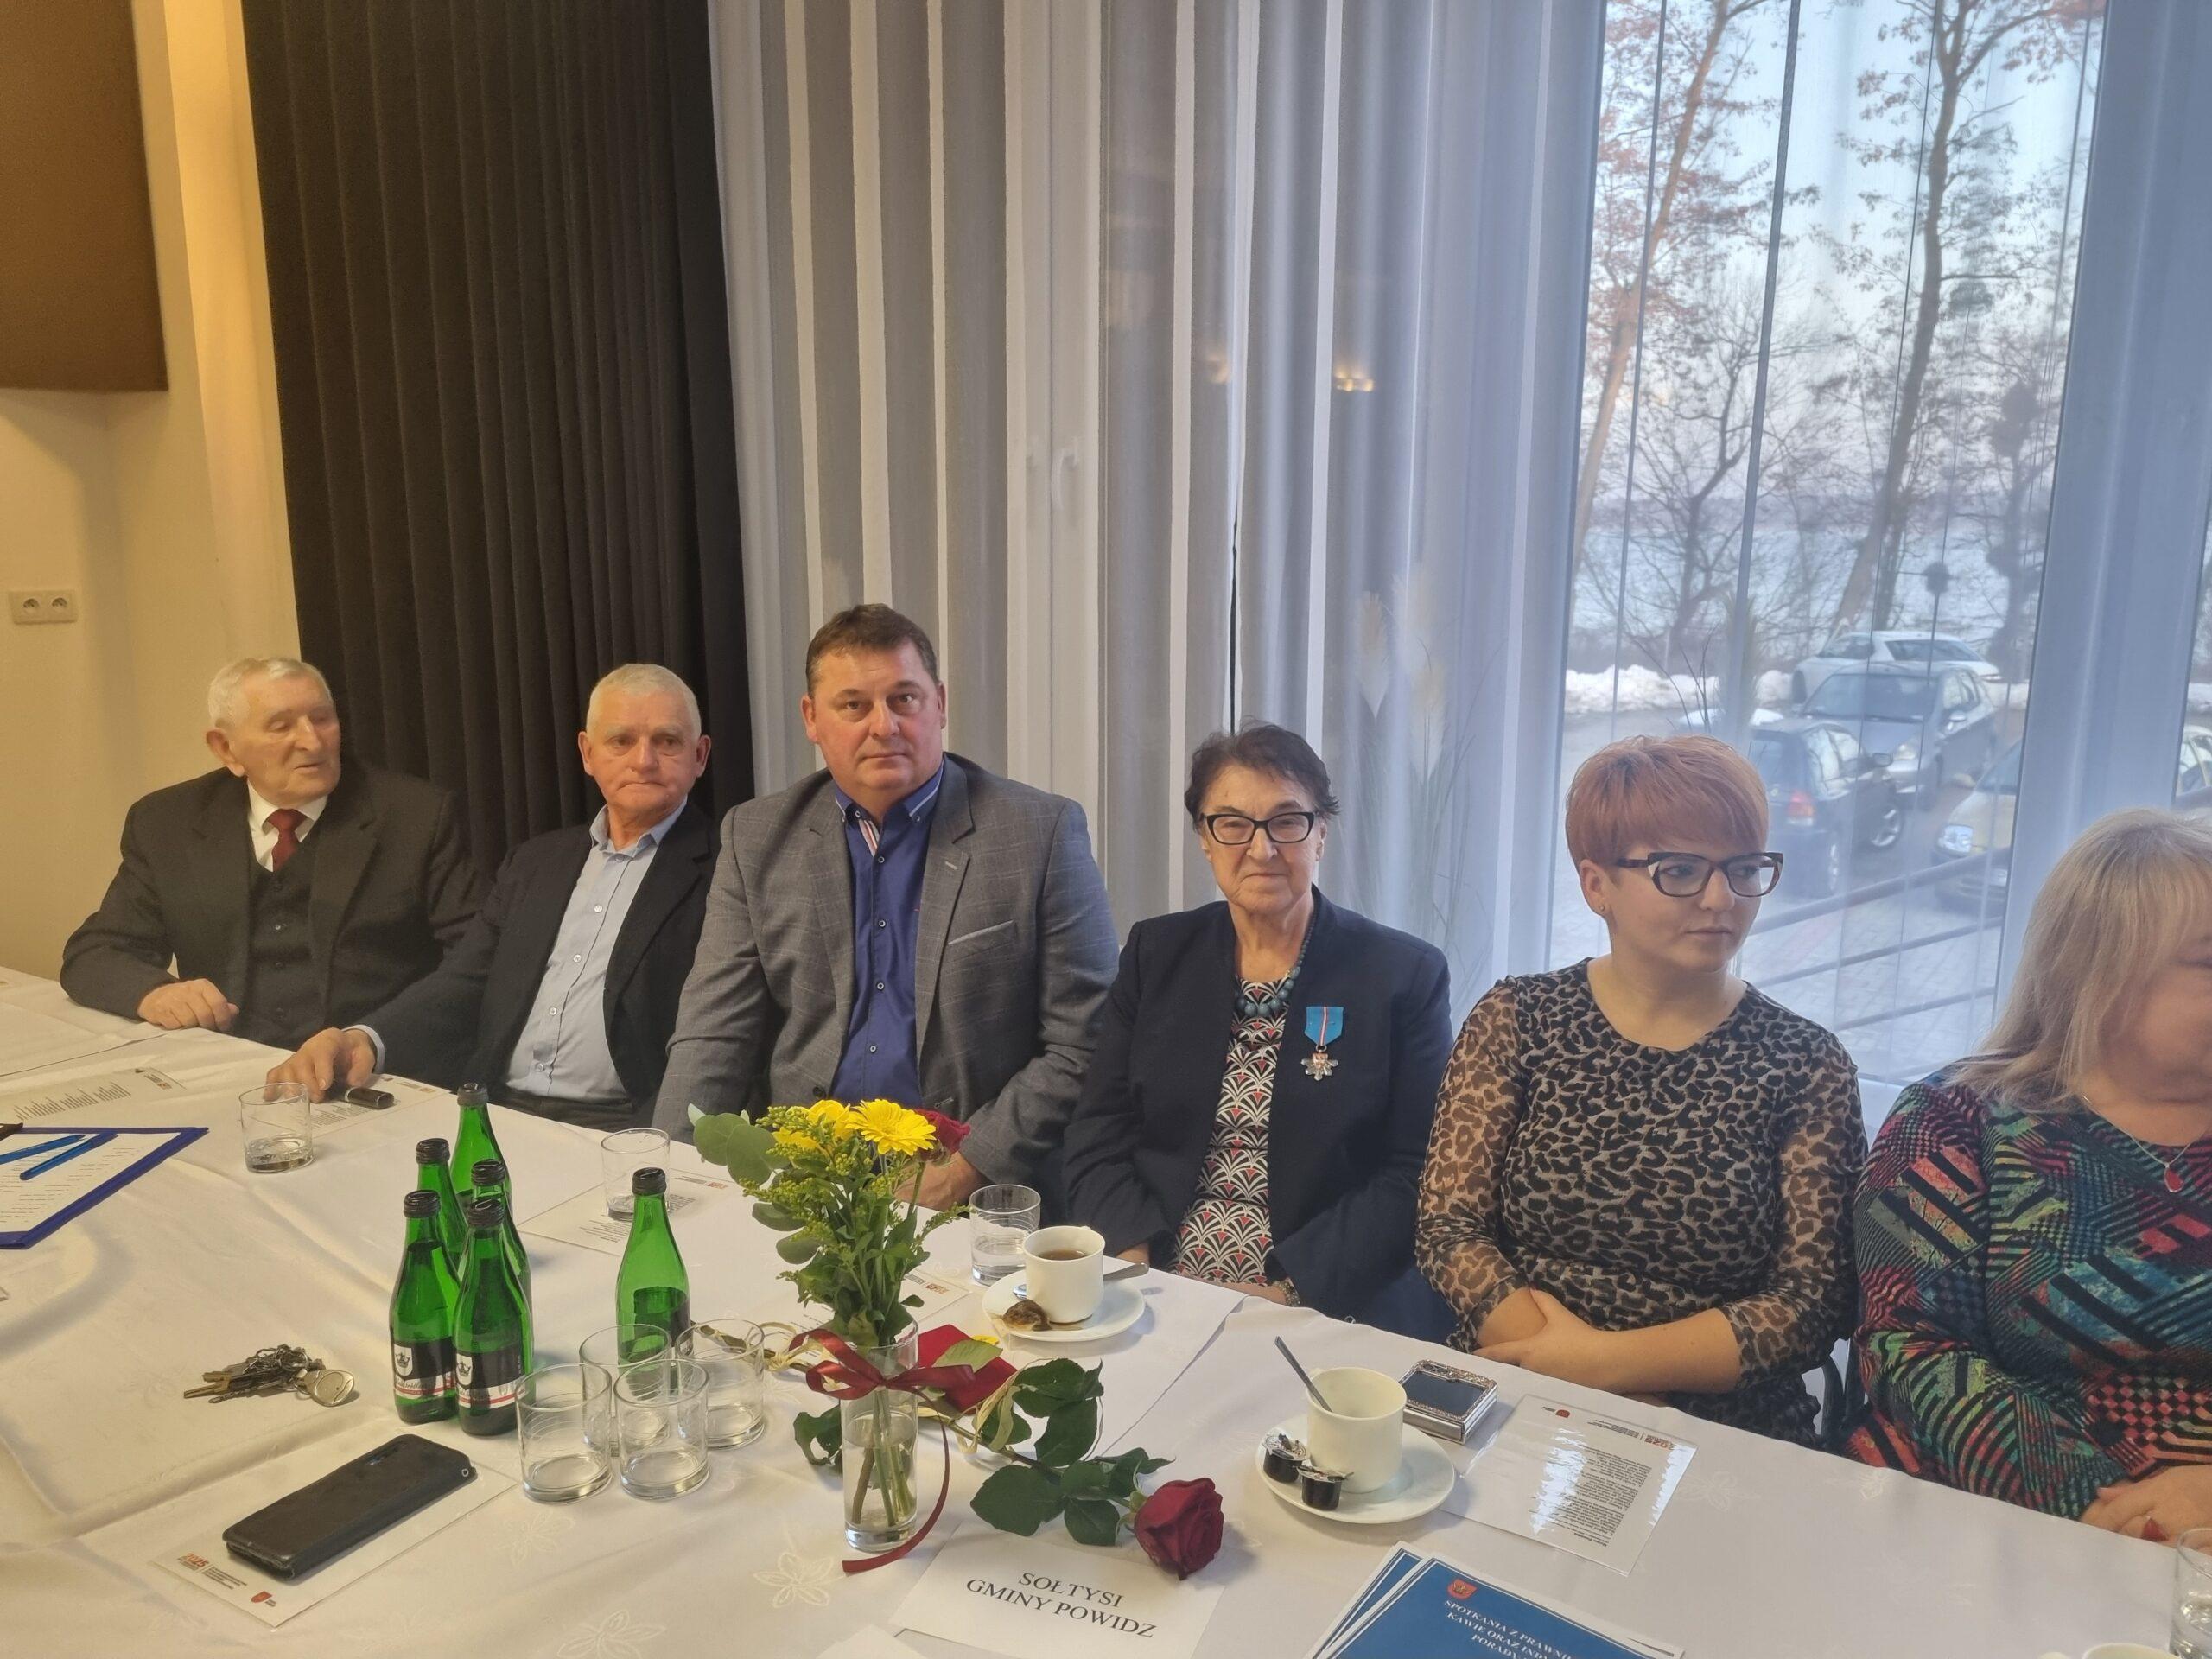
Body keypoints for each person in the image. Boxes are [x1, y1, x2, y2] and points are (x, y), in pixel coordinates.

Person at [1417, 734, 1865, 1445]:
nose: (1721, 898)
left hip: (1715, 1426)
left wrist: (1606, 1369)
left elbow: (1812, 1303)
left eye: (1744, 868)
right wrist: (1563, 1367)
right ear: (1597, 885)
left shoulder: (1807, 1063)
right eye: (1680, 870)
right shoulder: (1519, 1018)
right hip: (1517, 1387)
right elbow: (1449, 1229)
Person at [652, 604, 1117, 1209]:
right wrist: (666, 1182)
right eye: (854, 705)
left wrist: (966, 1168)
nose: (884, 726)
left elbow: (1086, 1039)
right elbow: (713, 1032)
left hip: (969, 1177)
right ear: (812, 718)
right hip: (804, 1173)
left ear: (939, 705)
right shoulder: (758, 836)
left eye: (905, 699)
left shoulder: (1038, 832)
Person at [1851, 808, 2212, 1534]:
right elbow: (1908, 1350)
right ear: (2106, 971)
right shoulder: (1956, 1120)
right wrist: (2116, 1510)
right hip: (1989, 1523)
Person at [1062, 724, 1450, 1320]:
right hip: (1153, 1273)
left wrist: (1289, 1294)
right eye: (1233, 824)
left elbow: (1413, 1172)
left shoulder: (1402, 975)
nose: (1262, 849)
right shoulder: (1156, 953)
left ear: (1321, 834)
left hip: (1318, 1294)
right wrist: (1132, 1258)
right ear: (1204, 838)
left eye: (1287, 822)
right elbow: (1099, 1128)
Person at [265, 665, 717, 1129]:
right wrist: (363, 1039)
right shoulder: (535, 862)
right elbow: (465, 979)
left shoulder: (727, 871)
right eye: (620, 741)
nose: (643, 761)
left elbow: (726, 1036)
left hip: (625, 1125)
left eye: (667, 741)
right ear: (587, 753)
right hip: (493, 1108)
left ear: (699, 756)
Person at [60, 658, 480, 1050]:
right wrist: (154, 994)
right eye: (281, 727)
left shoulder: (414, 815)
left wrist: (371, 1038)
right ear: (226, 749)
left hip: (366, 1063)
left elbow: (475, 956)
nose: (312, 741)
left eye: (322, 719)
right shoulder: (169, 821)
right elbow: (95, 953)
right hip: (226, 1058)